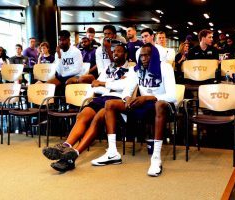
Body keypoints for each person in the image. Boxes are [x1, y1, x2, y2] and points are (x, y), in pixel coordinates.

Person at [42, 44, 134, 172]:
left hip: (116, 102)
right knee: (83, 115)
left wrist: (106, 84)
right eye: (114, 52)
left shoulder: (132, 70)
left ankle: (74, 154)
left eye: (119, 51)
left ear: (125, 54)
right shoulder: (109, 67)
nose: (115, 54)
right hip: (102, 98)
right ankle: (65, 146)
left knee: (97, 119)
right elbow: (95, 86)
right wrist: (111, 85)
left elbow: (123, 87)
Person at [91, 43, 176, 177]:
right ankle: (112, 152)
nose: (143, 58)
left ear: (153, 55)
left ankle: (156, 158)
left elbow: (172, 96)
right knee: (109, 104)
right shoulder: (137, 70)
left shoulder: (165, 68)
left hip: (164, 106)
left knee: (159, 104)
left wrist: (147, 98)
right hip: (144, 105)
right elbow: (127, 91)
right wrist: (127, 98)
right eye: (141, 55)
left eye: (147, 55)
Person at [47, 30, 83, 94]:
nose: (61, 42)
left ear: (68, 40)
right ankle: (52, 103)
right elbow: (59, 71)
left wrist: (64, 74)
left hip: (74, 75)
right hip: (61, 77)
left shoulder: (76, 51)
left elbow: (77, 70)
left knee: (68, 83)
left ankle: (68, 103)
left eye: (63, 40)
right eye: (60, 40)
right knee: (48, 85)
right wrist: (59, 56)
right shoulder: (57, 53)